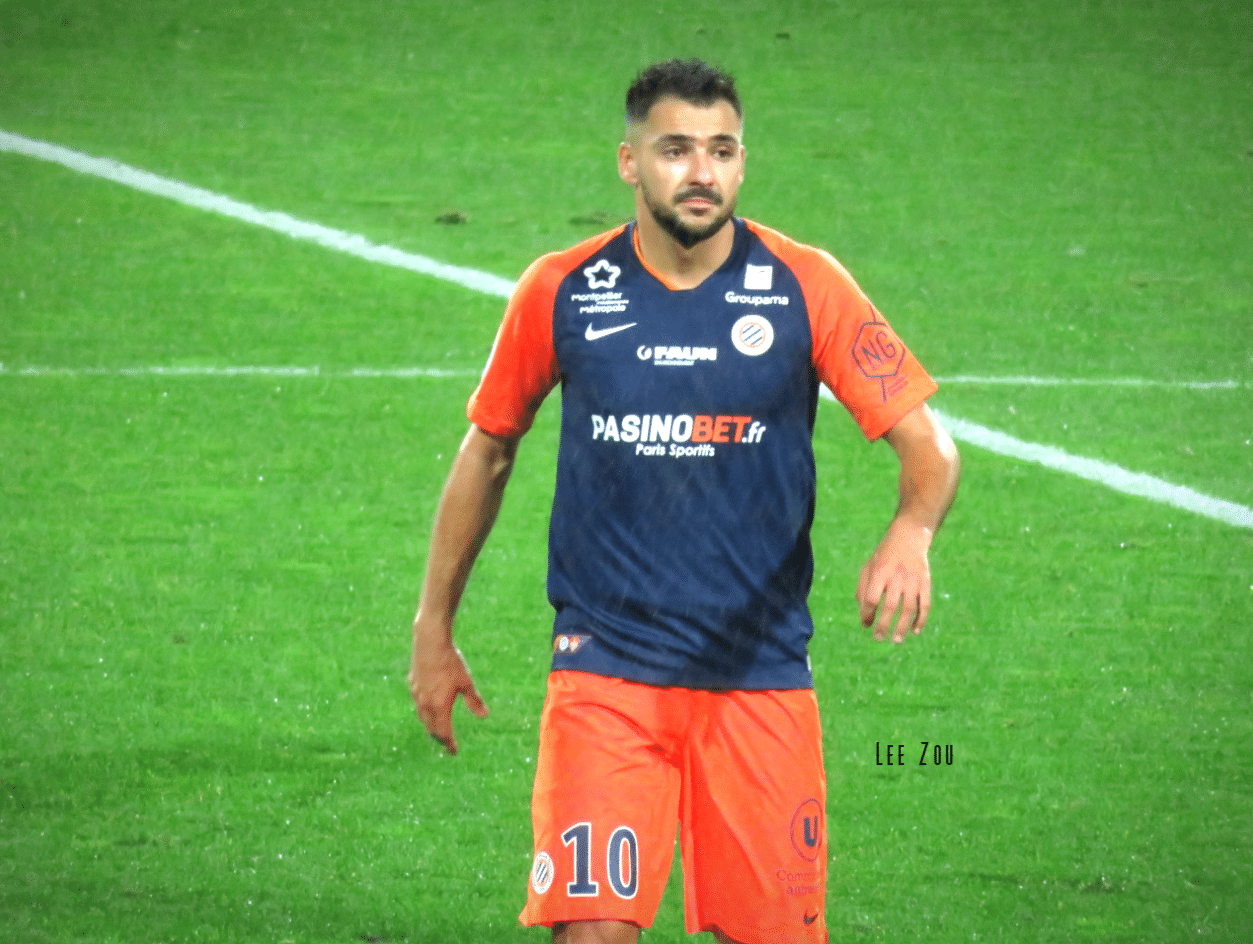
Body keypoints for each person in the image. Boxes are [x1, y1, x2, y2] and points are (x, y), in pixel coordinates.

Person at [409, 58, 960, 944]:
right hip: (604, 673)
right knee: (591, 932)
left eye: (722, 150)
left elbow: (929, 447)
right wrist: (433, 628)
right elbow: (489, 451)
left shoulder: (806, 284)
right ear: (630, 162)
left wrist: (911, 530)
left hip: (759, 676)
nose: (702, 172)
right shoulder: (561, 289)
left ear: (742, 161)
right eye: (676, 150)